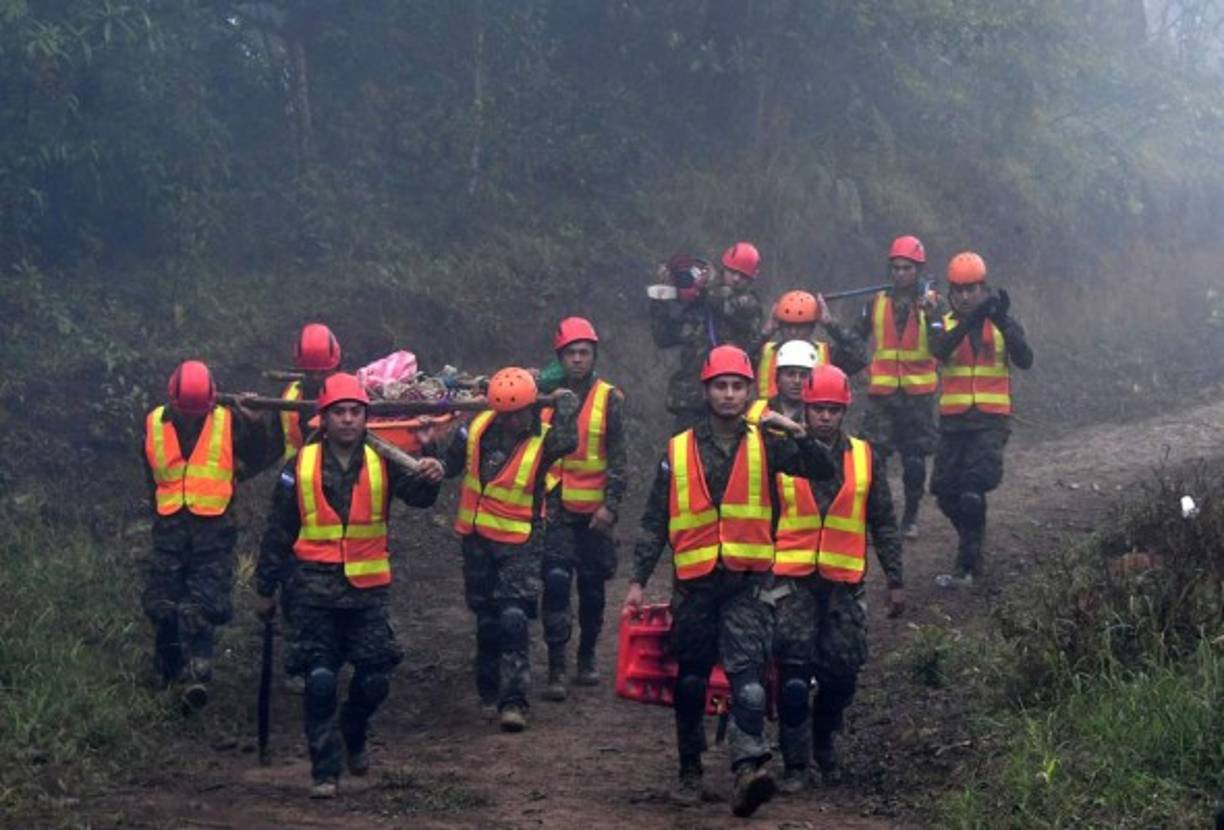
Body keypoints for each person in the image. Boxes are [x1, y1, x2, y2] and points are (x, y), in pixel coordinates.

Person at [623, 345, 836, 818]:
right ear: (706, 391)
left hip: (748, 580)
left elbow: (824, 469)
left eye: (737, 386)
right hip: (695, 583)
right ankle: (690, 769)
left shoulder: (769, 441)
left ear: (749, 392)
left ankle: (749, 767)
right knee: (692, 681)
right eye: (720, 386)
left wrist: (798, 432)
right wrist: (638, 580)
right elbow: (655, 520)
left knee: (749, 680)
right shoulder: (677, 449)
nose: (729, 394)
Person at [254, 373, 446, 798]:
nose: (346, 420)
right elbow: (278, 532)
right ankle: (324, 769)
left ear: (366, 419)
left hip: (367, 591)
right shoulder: (298, 468)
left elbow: (423, 495)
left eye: (354, 413)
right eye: (338, 413)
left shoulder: (385, 462)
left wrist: (431, 457)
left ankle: (353, 730)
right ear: (324, 418)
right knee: (319, 678)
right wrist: (265, 587)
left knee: (376, 676)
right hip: (312, 591)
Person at [771, 364, 905, 793]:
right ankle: (794, 764)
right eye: (818, 409)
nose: (825, 417)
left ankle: (823, 738)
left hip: (845, 584)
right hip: (792, 582)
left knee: (843, 673)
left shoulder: (865, 457)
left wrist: (895, 579)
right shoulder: (785, 454)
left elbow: (883, 521)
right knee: (792, 677)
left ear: (844, 411)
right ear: (805, 409)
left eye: (833, 409)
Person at [444, 368, 580, 731]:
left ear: (532, 407)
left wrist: (566, 406)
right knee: (487, 620)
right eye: (506, 414)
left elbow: (570, 441)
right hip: (476, 540)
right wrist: (426, 446)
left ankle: (514, 701)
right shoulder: (473, 430)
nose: (513, 421)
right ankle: (488, 692)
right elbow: (447, 465)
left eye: (520, 412)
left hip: (521, 541)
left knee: (513, 618)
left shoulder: (545, 440)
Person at [142, 360, 278, 710]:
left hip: (213, 531)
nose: (190, 418)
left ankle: (197, 670)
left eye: (197, 412)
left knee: (205, 603)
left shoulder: (230, 422)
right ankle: (168, 670)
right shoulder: (153, 423)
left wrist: (255, 425)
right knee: (161, 604)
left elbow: (263, 455)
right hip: (169, 532)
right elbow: (151, 472)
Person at [928, 252, 1033, 587]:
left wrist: (1001, 320)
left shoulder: (1002, 322)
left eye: (971, 289)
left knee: (973, 489)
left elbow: (1025, 359)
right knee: (945, 492)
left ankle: (967, 565)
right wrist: (970, 321)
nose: (964, 296)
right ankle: (972, 538)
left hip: (990, 421)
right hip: (953, 422)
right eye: (958, 289)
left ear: (983, 288)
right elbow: (940, 350)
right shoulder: (941, 322)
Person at [539, 318, 627, 701]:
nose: (577, 360)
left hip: (594, 514)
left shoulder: (610, 399)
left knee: (592, 590)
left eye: (584, 353)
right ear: (560, 357)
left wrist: (611, 507)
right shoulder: (545, 396)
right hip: (555, 506)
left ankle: (587, 655)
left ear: (593, 356)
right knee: (556, 583)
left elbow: (620, 458)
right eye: (571, 353)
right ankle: (556, 664)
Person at [853, 235, 946, 539]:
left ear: (918, 270)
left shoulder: (933, 303)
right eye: (895, 268)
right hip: (883, 395)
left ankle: (911, 517)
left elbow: (941, 345)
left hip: (918, 396)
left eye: (907, 268)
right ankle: (874, 517)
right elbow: (856, 338)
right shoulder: (877, 302)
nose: (900, 273)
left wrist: (932, 313)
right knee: (870, 457)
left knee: (914, 459)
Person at [649, 243, 765, 431]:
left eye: (743, 276)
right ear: (723, 269)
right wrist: (662, 294)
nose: (736, 279)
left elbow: (727, 305)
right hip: (692, 400)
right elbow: (663, 337)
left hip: (730, 401)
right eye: (732, 272)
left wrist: (706, 285)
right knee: (684, 455)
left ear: (752, 279)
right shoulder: (701, 306)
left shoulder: (749, 305)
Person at [751, 289, 868, 401]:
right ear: (779, 325)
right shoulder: (765, 353)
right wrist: (764, 334)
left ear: (812, 327)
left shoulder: (828, 355)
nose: (793, 332)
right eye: (788, 326)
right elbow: (737, 362)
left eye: (800, 326)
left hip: (812, 419)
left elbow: (860, 355)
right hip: (768, 419)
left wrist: (831, 325)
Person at [278, 323, 342, 462]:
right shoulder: (289, 397)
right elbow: (273, 444)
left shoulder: (351, 394)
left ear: (336, 366)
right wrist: (256, 423)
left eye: (322, 372)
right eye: (310, 372)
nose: (316, 377)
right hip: (300, 473)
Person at [745, 339, 820, 424]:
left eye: (803, 375)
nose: (797, 381)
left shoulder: (818, 414)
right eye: (790, 374)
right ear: (777, 378)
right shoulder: (757, 410)